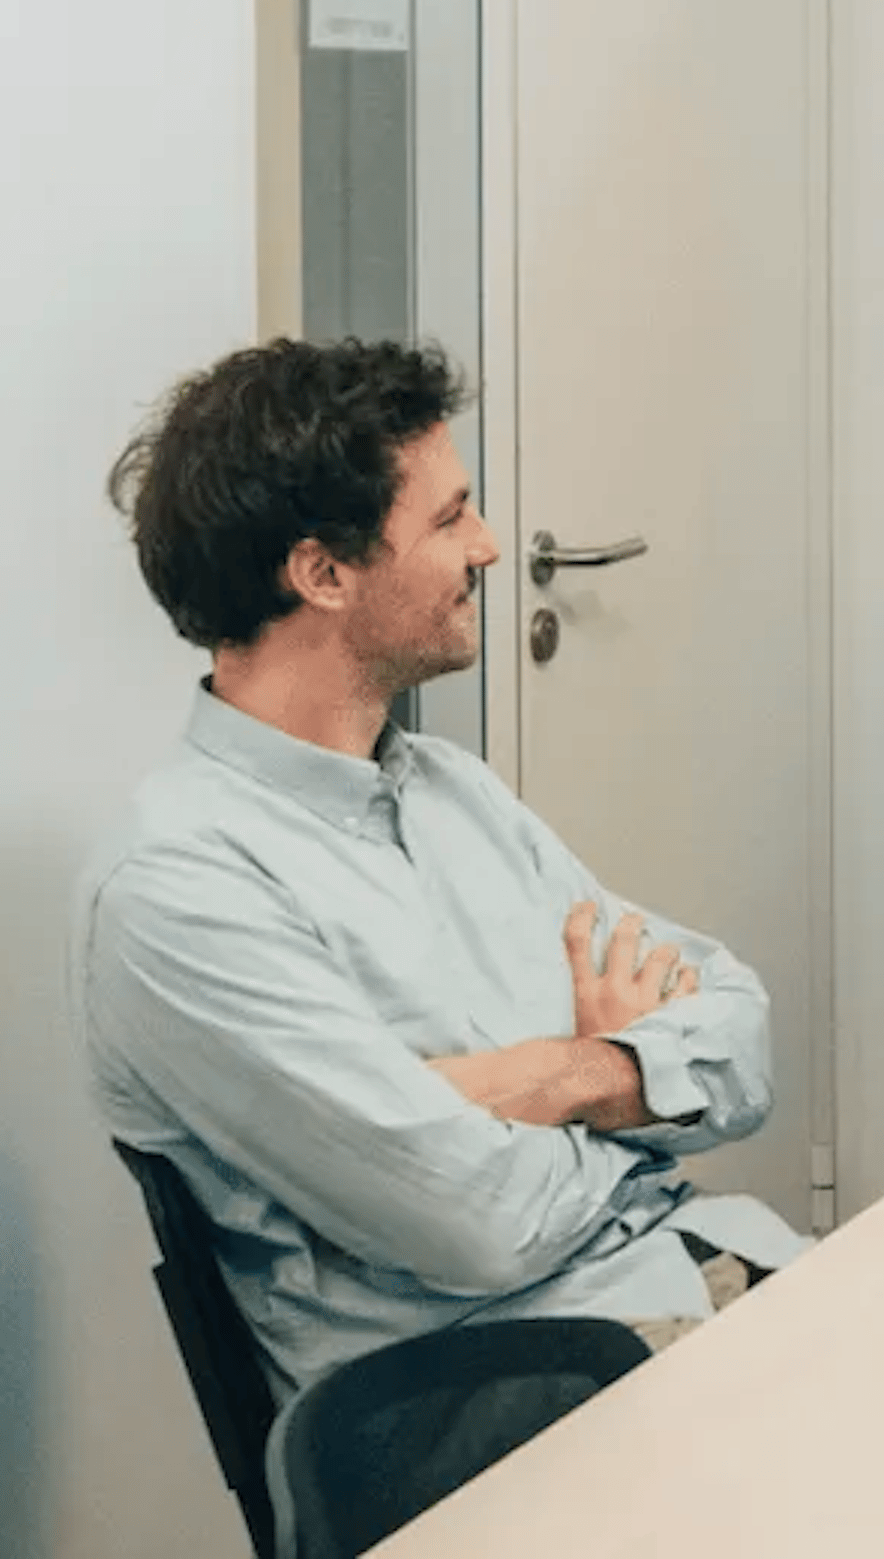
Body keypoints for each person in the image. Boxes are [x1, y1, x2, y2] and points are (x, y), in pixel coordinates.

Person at [78, 337, 809, 1402]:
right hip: (497, 1402)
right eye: (449, 517)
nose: (491, 545)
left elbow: (741, 1032)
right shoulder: (178, 892)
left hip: (696, 1283)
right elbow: (482, 1226)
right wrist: (640, 1090)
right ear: (323, 573)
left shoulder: (452, 792)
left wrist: (556, 1077)